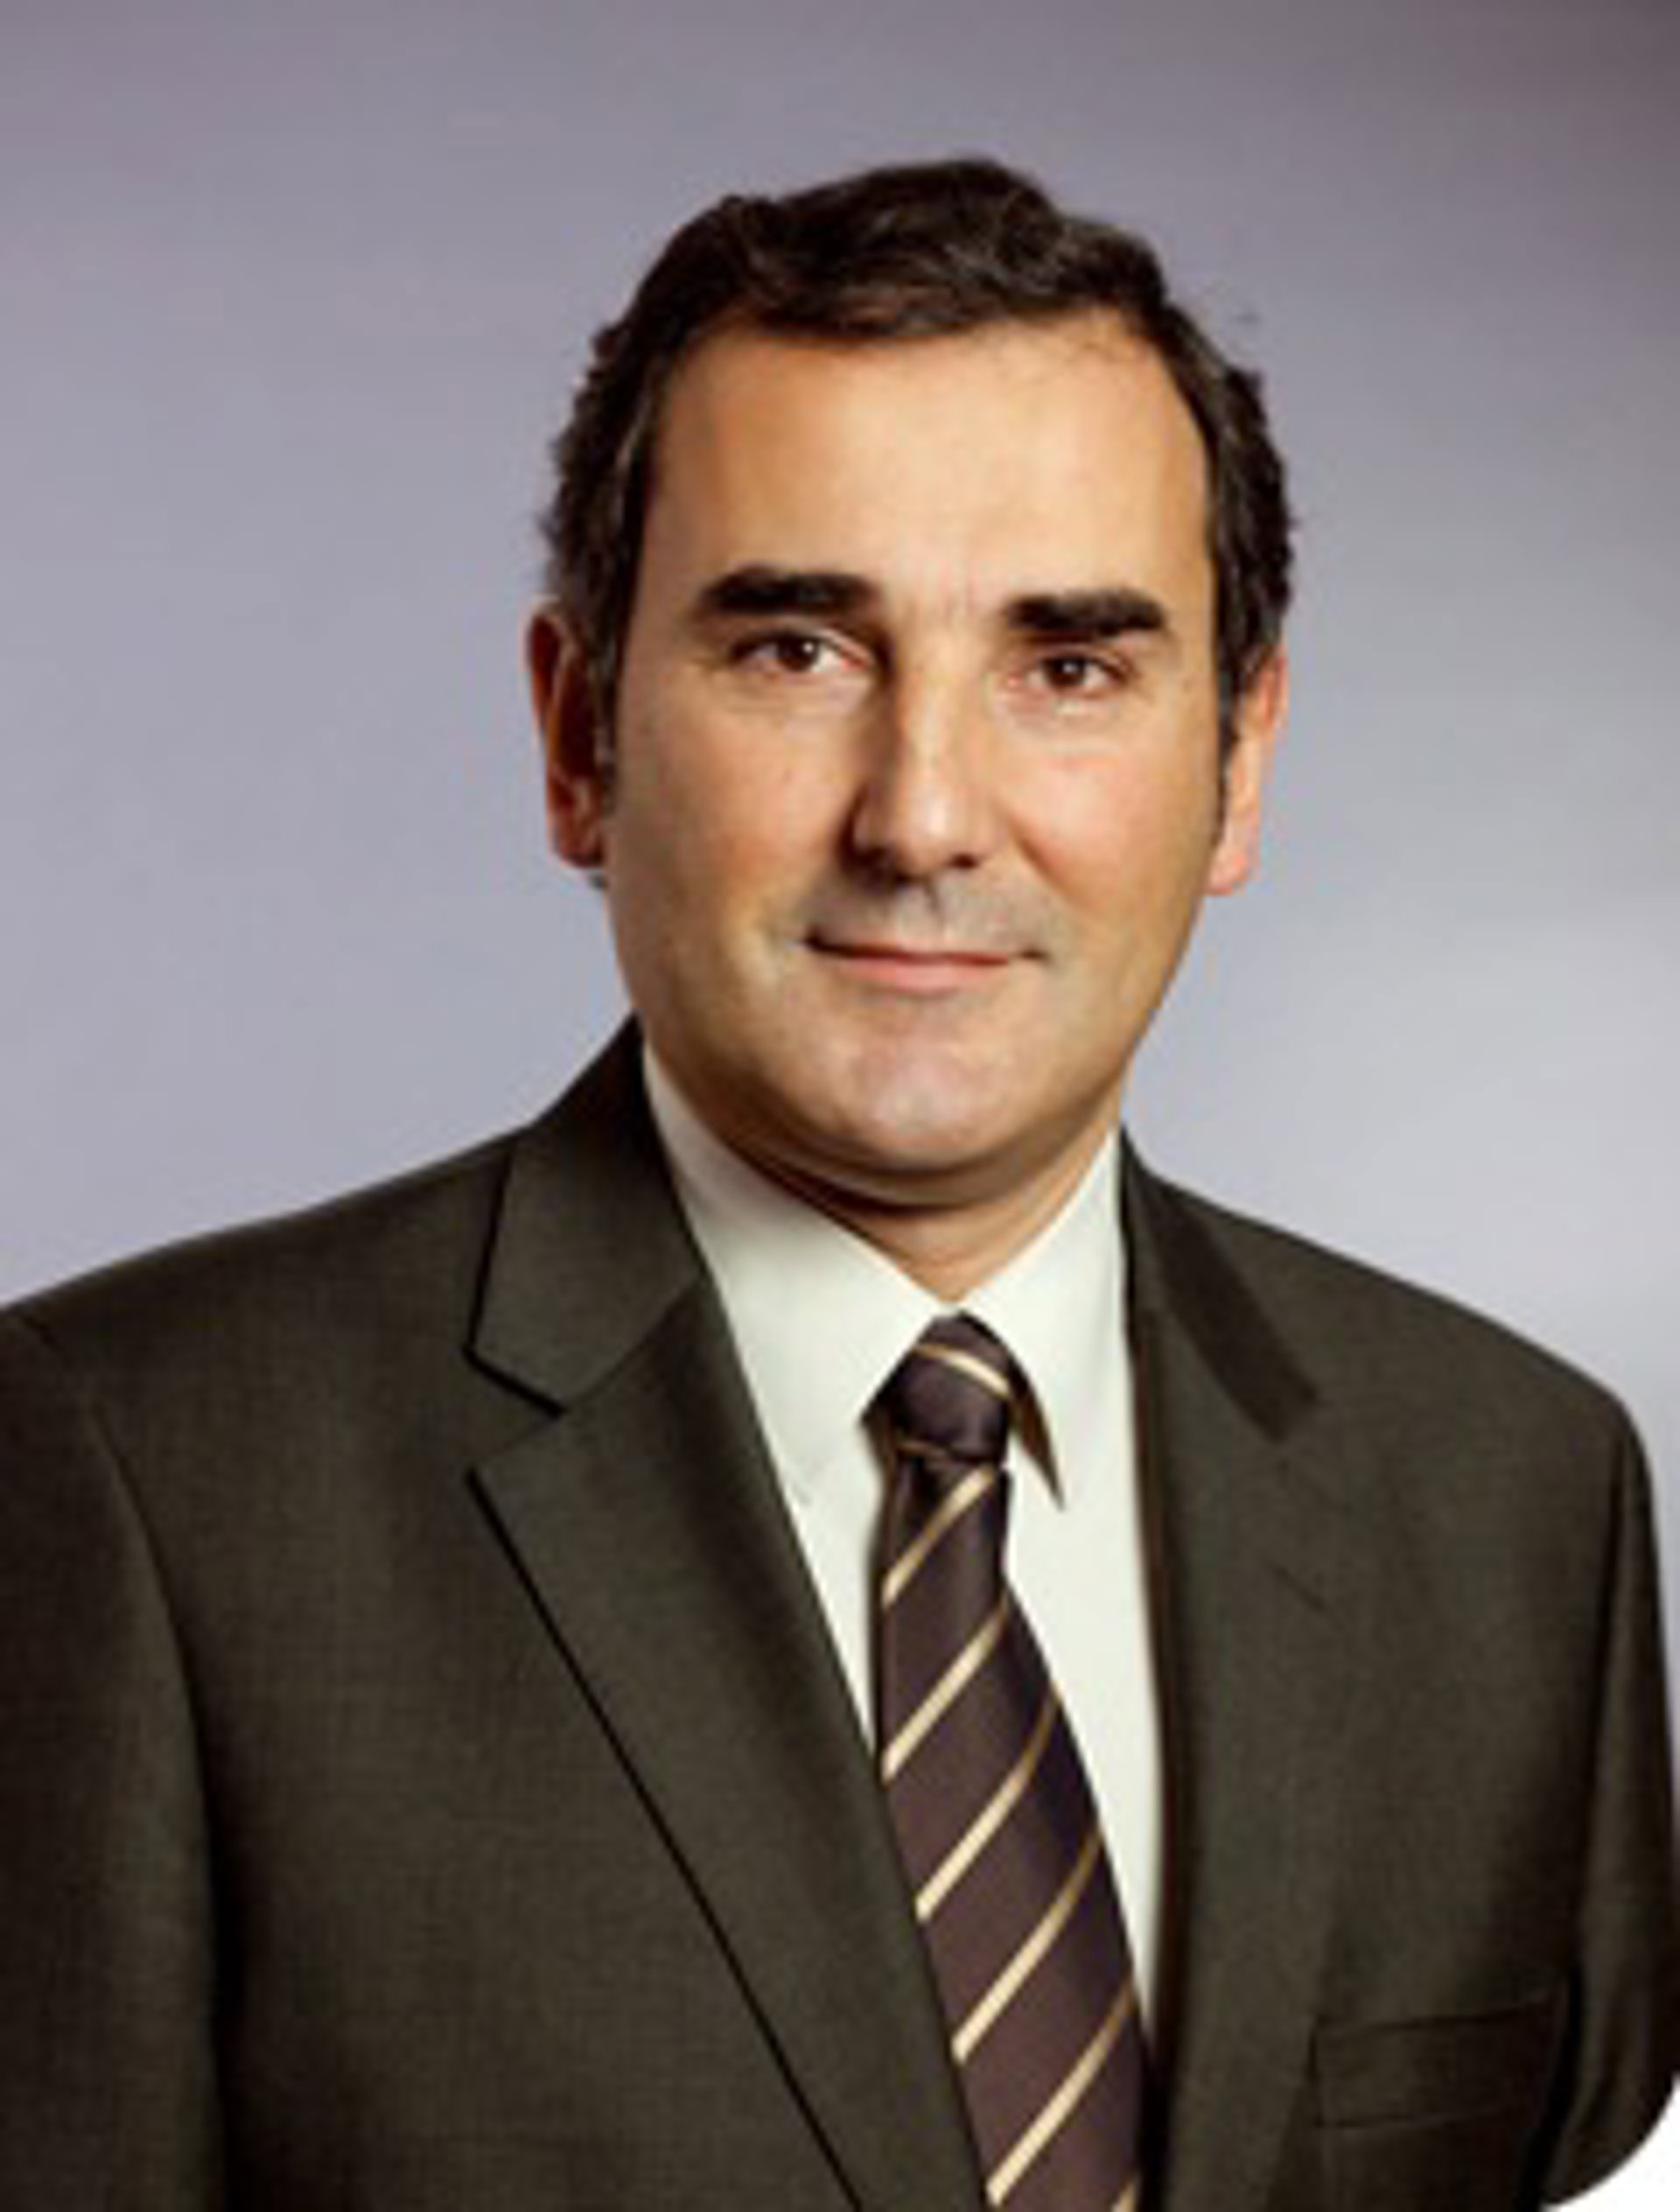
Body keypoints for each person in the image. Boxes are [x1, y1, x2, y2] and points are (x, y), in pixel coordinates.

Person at [0, 158, 1673, 2211]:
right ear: (580, 737)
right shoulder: (137, 1485)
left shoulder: (1520, 1501)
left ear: (1239, 762)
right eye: (798, 649)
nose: (926, 814)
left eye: (1070, 666)